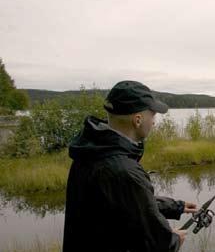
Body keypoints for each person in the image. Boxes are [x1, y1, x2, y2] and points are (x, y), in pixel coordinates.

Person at [63, 80, 196, 252]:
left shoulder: (90, 153)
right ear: (138, 119)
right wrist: (175, 239)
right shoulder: (124, 171)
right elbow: (158, 243)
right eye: (153, 115)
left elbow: (123, 201)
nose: (154, 122)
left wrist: (175, 207)